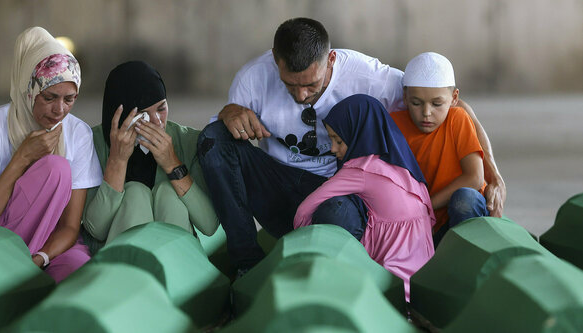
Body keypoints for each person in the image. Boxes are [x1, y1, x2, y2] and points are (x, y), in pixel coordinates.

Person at [197, 17, 504, 274]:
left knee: (337, 211)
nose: (302, 95)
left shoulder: (369, 76)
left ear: (330, 60)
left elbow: (451, 104)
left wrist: (491, 171)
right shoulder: (252, 79)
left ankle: (344, 273)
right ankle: (245, 263)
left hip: (343, 195)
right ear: (276, 61)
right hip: (281, 185)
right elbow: (223, 138)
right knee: (212, 138)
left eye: (311, 84)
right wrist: (228, 113)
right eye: (291, 84)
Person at [0, 27, 102, 283]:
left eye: (69, 99)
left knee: (79, 275)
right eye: (49, 97)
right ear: (30, 90)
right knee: (56, 168)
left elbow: (70, 227)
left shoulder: (78, 133)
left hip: (52, 244)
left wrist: (40, 258)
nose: (60, 110)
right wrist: (22, 158)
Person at [294, 94, 435, 300]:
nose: (333, 149)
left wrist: (301, 239)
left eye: (339, 140)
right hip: (423, 262)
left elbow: (307, 207)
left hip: (390, 267)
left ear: (357, 134)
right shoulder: (405, 165)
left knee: (334, 211)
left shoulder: (360, 169)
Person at [81, 61, 219, 246]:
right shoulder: (92, 142)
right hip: (119, 258)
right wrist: (117, 160)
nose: (157, 122)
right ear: (120, 115)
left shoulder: (188, 141)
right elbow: (96, 228)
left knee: (168, 194)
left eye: (161, 108)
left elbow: (209, 225)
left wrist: (173, 165)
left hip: (179, 261)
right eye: (143, 115)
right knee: (135, 193)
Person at [391, 52, 489, 246]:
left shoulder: (458, 119)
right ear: (405, 97)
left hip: (457, 216)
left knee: (464, 200)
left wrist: (426, 206)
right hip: (417, 223)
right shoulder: (394, 124)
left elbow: (475, 178)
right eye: (416, 103)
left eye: (437, 104)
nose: (426, 113)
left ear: (454, 98)